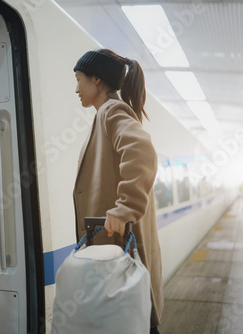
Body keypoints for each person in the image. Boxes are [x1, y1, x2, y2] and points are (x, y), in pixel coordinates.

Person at [72, 49, 163, 334]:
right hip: (114, 247)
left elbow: (141, 151)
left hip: (120, 247)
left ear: (96, 79)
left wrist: (124, 209)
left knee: (134, 319)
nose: (76, 89)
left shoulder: (112, 110)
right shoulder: (105, 115)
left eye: (79, 79)